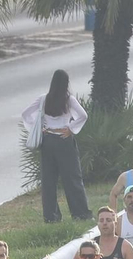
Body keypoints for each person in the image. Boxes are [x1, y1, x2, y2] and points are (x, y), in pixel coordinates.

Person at [20, 68, 91, 222]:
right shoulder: (69, 99)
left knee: (48, 180)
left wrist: (39, 127)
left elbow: (25, 114)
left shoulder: (44, 99)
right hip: (64, 139)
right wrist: (71, 129)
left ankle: (51, 216)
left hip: (48, 140)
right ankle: (80, 214)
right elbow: (83, 115)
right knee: (72, 178)